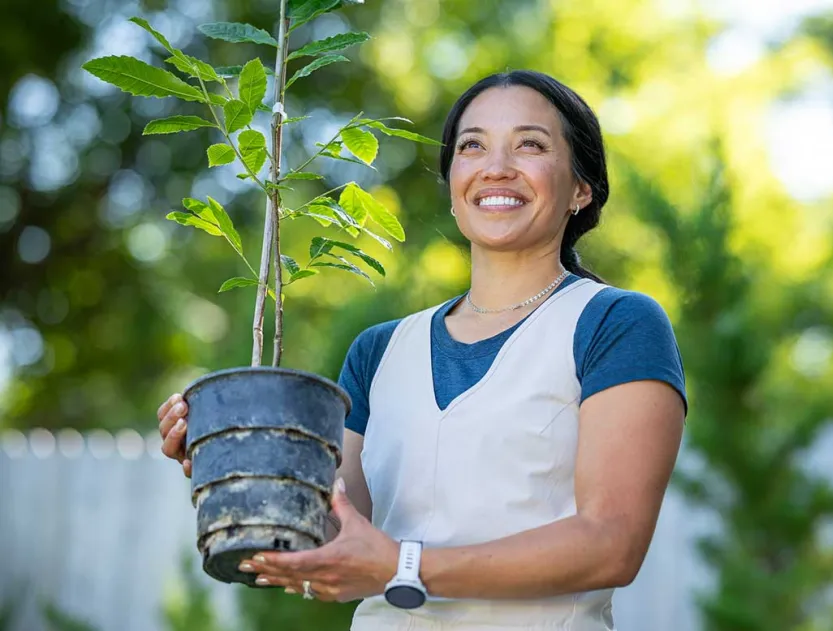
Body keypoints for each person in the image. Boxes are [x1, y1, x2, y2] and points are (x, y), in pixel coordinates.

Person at [157, 69, 687, 631]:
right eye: (472, 146)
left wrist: (403, 565)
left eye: (530, 144)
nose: (496, 166)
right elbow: (334, 545)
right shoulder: (379, 351)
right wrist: (237, 458)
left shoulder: (615, 323)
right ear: (454, 186)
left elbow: (612, 543)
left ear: (581, 188)